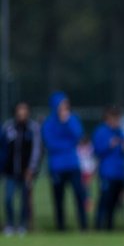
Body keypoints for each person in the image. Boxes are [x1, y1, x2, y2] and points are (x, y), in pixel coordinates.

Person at [42, 91, 88, 232]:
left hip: (73, 164)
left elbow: (78, 135)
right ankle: (60, 227)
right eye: (61, 105)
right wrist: (68, 145)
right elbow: (50, 144)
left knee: (79, 195)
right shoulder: (48, 123)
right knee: (59, 199)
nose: (64, 108)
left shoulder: (72, 120)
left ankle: (83, 226)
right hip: (57, 166)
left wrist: (67, 122)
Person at [2, 102, 40, 235]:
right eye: (20, 110)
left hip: (26, 172)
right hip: (10, 171)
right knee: (8, 198)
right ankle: (10, 224)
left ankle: (23, 225)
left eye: (24, 110)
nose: (22, 113)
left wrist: (32, 168)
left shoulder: (33, 128)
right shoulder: (8, 127)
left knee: (25, 199)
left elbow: (36, 150)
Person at [91, 106, 124, 231]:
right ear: (108, 118)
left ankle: (110, 227)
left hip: (119, 172)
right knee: (104, 201)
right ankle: (99, 226)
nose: (117, 121)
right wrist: (109, 145)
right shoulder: (101, 132)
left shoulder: (120, 132)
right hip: (107, 172)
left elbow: (123, 154)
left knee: (114, 202)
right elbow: (96, 151)